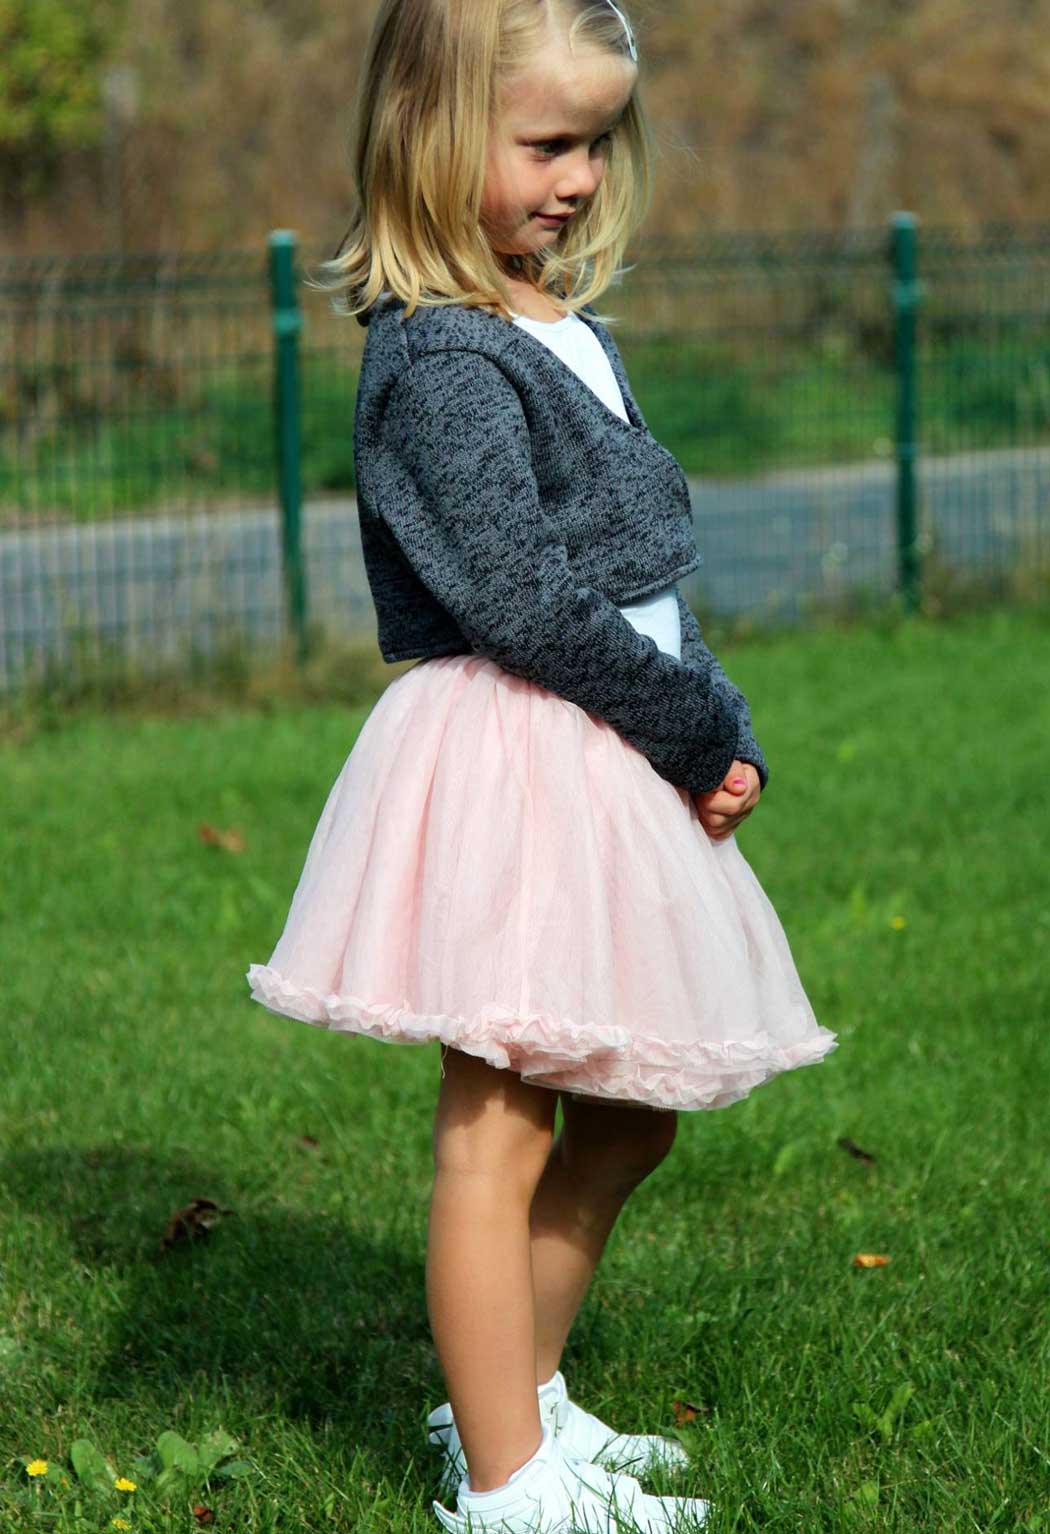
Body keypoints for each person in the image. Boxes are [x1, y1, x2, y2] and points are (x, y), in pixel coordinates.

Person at [247, 1, 838, 1528]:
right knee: (498, 1123)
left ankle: (516, 1398)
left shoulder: (562, 327)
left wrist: (716, 721)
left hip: (610, 747)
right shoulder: (440, 355)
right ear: (432, 135)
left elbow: (638, 577)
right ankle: (507, 1488)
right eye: (545, 142)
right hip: (516, 756)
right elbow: (520, 600)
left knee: (629, 1110)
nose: (577, 176)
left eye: (596, 141)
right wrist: (678, 723)